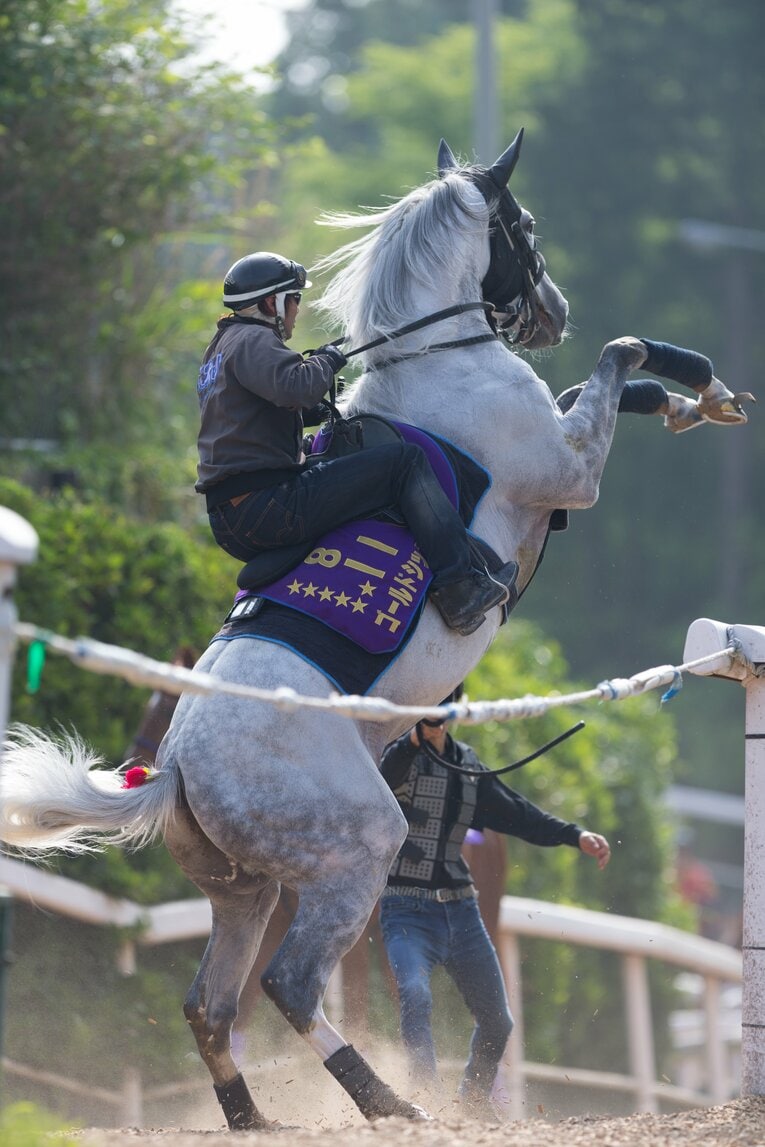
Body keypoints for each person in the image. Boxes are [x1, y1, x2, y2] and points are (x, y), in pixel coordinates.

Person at [195, 251, 512, 636]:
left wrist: (315, 408)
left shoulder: (221, 346)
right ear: (270, 302)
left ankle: (474, 563)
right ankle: (459, 587)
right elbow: (299, 386)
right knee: (404, 463)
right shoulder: (254, 339)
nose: (297, 309)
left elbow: (253, 416)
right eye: (293, 299)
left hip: (233, 514)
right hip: (268, 506)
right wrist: (329, 359)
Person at [379, 692, 611, 1118]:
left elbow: (520, 814)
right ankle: (424, 1099)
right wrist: (413, 741)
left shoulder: (468, 766)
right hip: (405, 908)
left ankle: (472, 1102)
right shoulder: (394, 756)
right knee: (414, 994)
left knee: (498, 1020)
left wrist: (574, 835)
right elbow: (379, 778)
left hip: (462, 912)